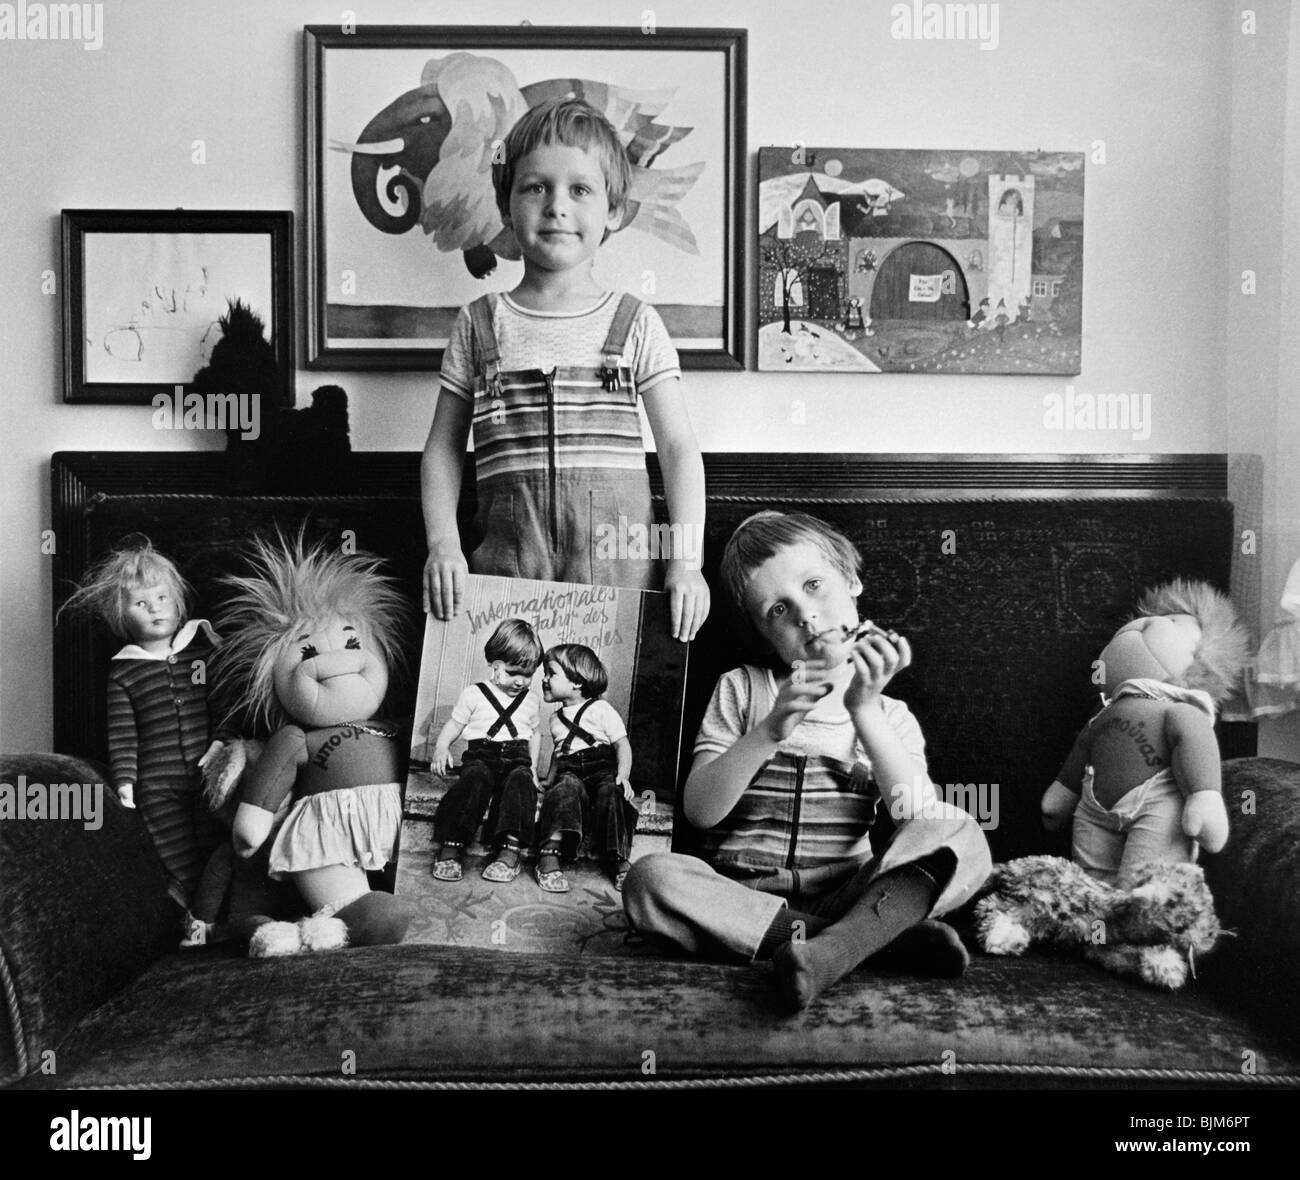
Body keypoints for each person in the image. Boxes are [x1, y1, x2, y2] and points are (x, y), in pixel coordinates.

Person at [623, 512, 992, 1011]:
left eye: (814, 585)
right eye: (778, 609)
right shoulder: (743, 689)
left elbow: (916, 817)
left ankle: (837, 946)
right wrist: (770, 730)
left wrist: (864, 710)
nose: (805, 616)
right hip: (744, 896)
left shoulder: (889, 713)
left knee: (958, 830)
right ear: (763, 633)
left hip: (852, 894)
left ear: (853, 581)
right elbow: (699, 812)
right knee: (651, 879)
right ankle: (867, 945)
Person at [421, 98, 709, 642]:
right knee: (504, 718)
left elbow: (677, 447)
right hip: (501, 581)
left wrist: (686, 563)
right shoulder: (480, 324)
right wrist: (444, 546)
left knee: (603, 717)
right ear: (507, 206)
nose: (556, 206)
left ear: (614, 211)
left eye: (580, 189)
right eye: (535, 187)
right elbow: (441, 448)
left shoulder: (636, 323)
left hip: (621, 579)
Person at [57, 538, 226, 911]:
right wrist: (125, 781)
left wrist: (221, 744)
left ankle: (219, 908)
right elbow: (122, 733)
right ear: (122, 614)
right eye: (141, 604)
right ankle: (194, 913)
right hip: (157, 783)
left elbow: (223, 706)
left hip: (208, 773)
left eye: (162, 599)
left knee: (217, 842)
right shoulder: (124, 671)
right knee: (174, 849)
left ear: (177, 600)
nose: (155, 610)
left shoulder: (200, 652)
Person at [428, 619, 543, 883]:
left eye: (528, 675)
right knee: (475, 779)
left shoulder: (531, 701)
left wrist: (533, 768)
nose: (520, 682)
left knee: (521, 781)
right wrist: (441, 747)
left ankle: (509, 849)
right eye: (513, 672)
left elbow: (535, 733)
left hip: (517, 758)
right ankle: (453, 843)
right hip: (482, 756)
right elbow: (456, 724)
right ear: (495, 665)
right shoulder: (474, 694)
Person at [535, 644, 637, 893]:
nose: (544, 679)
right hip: (571, 771)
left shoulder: (601, 710)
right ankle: (550, 852)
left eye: (551, 673)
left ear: (576, 682)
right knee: (564, 788)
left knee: (611, 794)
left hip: (601, 769)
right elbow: (560, 754)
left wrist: (623, 775)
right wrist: (549, 779)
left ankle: (617, 857)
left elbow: (622, 745)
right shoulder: (554, 719)